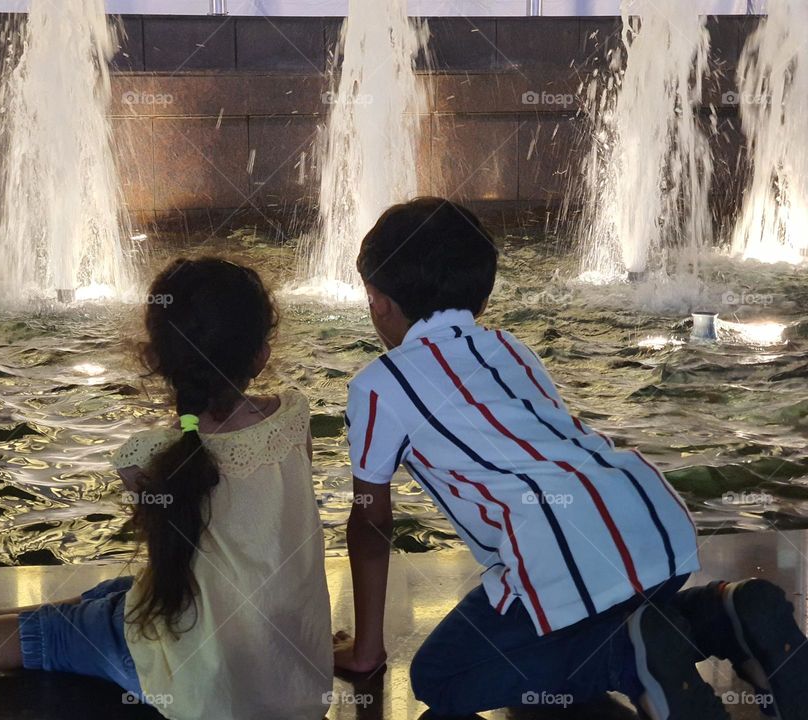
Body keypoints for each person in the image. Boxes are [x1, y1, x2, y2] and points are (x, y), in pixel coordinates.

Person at [332, 197, 808, 720]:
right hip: (650, 522)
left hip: (555, 552)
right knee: (618, 610)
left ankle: (624, 658)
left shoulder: (378, 385)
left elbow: (371, 519)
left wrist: (367, 652)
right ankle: (725, 613)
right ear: (481, 298)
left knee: (442, 677)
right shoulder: (510, 348)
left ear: (377, 301)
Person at [0, 257, 333, 720]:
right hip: (295, 683)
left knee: (53, 635)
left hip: (204, 693)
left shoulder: (148, 457)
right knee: (120, 593)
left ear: (155, 358)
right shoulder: (295, 417)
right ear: (262, 354)